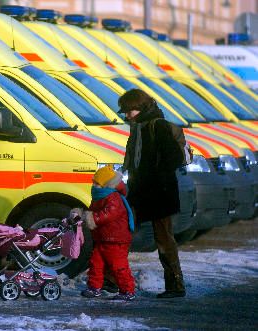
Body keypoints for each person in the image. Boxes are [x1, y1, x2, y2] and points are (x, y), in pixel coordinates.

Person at [119, 88, 186, 299]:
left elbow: (173, 157)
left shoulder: (158, 126)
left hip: (158, 191)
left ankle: (175, 284)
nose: (127, 115)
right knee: (122, 231)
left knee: (164, 238)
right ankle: (114, 279)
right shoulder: (138, 127)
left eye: (130, 110)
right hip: (141, 190)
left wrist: (156, 175)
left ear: (141, 107)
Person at [77, 165, 136, 301]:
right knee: (96, 263)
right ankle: (94, 287)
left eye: (97, 183)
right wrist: (82, 215)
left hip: (116, 239)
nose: (94, 185)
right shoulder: (99, 197)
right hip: (103, 238)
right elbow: (93, 211)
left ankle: (128, 290)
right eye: (94, 182)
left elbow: (108, 214)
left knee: (119, 266)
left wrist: (91, 218)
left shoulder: (113, 197)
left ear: (106, 184)